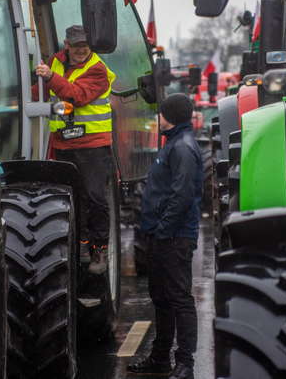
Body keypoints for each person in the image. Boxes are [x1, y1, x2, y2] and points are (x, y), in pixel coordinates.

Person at [128, 93, 202, 379]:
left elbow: (182, 195)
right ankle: (159, 358)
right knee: (160, 297)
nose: (157, 119)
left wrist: (164, 230)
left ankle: (186, 363)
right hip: (161, 235)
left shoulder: (181, 148)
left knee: (179, 298)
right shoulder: (172, 143)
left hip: (174, 237)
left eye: (160, 114)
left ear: (168, 116)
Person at [35, 25, 116, 274]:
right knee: (69, 199)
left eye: (85, 45)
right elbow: (43, 93)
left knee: (95, 197)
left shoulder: (98, 69)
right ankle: (76, 246)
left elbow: (76, 95)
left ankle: (99, 249)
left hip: (92, 145)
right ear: (66, 45)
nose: (82, 50)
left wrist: (49, 77)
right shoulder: (54, 63)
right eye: (77, 45)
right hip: (62, 143)